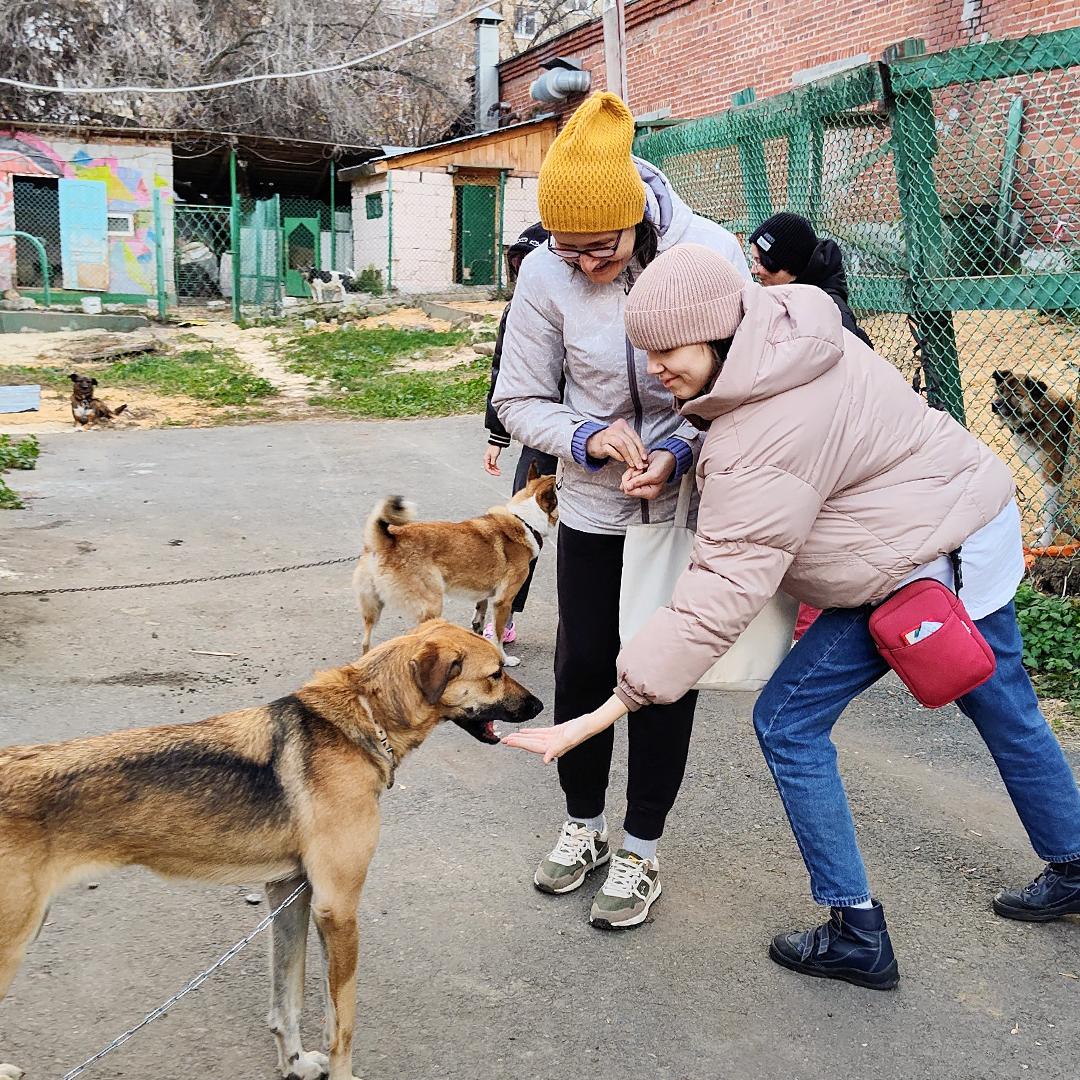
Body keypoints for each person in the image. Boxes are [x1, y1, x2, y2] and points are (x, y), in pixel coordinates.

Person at [505, 243, 1080, 984]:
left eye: (667, 351)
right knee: (998, 698)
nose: (654, 371)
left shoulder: (761, 438)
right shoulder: (789, 332)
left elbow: (723, 589)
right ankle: (1072, 857)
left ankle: (856, 929)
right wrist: (683, 456)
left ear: (716, 331)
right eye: (644, 352)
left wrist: (600, 712)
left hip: (918, 559)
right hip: (966, 515)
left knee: (789, 720)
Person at [493, 93, 749, 930]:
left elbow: (747, 383)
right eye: (568, 253)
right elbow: (519, 398)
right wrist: (588, 435)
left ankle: (642, 849)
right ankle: (583, 828)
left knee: (664, 677)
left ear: (635, 219)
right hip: (597, 505)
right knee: (582, 667)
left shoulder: (709, 253)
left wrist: (679, 450)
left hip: (682, 509)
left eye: (599, 250)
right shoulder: (545, 272)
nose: (584, 267)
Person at [749, 211, 871, 639]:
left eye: (765, 262)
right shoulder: (793, 297)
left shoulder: (823, 311)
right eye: (755, 257)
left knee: (812, 538)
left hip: (830, 447)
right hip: (810, 441)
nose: (755, 268)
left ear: (793, 268)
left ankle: (811, 637)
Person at [482, 222, 556, 646]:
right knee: (520, 525)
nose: (523, 274)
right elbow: (502, 372)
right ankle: (504, 613)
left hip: (594, 430)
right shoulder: (517, 310)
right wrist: (497, 435)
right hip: (540, 430)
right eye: (517, 266)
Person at [749, 211, 873, 347]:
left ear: (787, 265)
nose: (753, 270)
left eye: (759, 262)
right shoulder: (787, 298)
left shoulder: (829, 312)